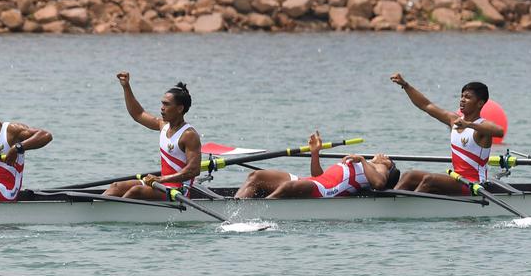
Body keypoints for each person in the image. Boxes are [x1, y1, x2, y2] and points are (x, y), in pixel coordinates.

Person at [388, 73, 504, 195]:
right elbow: (426, 105)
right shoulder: (453, 120)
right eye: (462, 96)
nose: (462, 100)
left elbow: (499, 131)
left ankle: (411, 210)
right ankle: (392, 202)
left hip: (474, 184)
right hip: (456, 179)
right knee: (409, 175)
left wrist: (468, 124)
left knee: (430, 180)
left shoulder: (481, 129)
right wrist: (405, 85)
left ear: (480, 103)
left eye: (468, 97)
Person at [103, 72, 202, 200]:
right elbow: (138, 114)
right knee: (116, 186)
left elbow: (193, 170)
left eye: (166, 104)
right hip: (160, 184)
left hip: (178, 190)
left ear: (179, 108)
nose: (162, 108)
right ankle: (96, 211)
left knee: (136, 191)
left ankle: (112, 215)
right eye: (162, 104)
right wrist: (126, 87)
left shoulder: (189, 135)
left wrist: (161, 179)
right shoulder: (163, 125)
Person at [234, 131, 399, 198]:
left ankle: (256, 215)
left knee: (288, 187)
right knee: (256, 176)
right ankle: (234, 209)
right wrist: (315, 152)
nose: (384, 155)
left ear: (389, 166)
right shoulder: (368, 165)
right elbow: (318, 176)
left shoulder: (380, 169)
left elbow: (379, 184)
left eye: (388, 158)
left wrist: (362, 160)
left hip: (326, 191)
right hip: (317, 182)